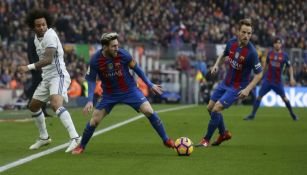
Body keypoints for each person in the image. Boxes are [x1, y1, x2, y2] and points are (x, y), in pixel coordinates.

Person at [72, 32, 175, 154]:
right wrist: (89, 100)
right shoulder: (95, 60)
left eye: (117, 45)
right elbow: (91, 80)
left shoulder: (123, 54)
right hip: (109, 94)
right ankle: (82, 146)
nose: (117, 48)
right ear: (105, 47)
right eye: (113, 46)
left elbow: (137, 69)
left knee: (148, 110)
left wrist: (149, 84)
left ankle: (166, 139)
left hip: (129, 90)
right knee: (94, 120)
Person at [17, 9, 80, 152]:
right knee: (33, 106)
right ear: (33, 27)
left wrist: (28, 67)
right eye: (38, 25)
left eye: (44, 24)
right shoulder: (35, 38)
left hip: (58, 76)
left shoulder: (50, 35)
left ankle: (75, 137)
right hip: (47, 78)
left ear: (47, 24)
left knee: (55, 104)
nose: (42, 27)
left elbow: (48, 59)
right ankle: (44, 137)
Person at [196, 19, 263, 147]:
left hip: (238, 86)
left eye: (249, 33)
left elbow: (259, 74)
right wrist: (216, 65)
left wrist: (248, 89)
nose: (246, 36)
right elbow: (223, 54)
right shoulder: (231, 43)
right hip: (226, 82)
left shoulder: (252, 53)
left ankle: (206, 140)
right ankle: (224, 133)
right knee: (210, 108)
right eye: (244, 32)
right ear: (238, 32)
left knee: (216, 109)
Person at [244, 37, 299, 121]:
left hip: (277, 82)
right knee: (259, 97)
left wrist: (291, 77)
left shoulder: (284, 55)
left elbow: (290, 67)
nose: (277, 44)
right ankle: (252, 115)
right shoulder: (270, 54)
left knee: (284, 98)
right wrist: (260, 75)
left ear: (281, 44)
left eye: (279, 43)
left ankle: (292, 114)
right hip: (268, 81)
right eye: (276, 43)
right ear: (273, 44)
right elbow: (265, 66)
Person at [25, 34, 51, 117]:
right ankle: (35, 109)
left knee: (45, 89)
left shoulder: (45, 38)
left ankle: (43, 110)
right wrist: (34, 67)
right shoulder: (32, 38)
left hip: (45, 67)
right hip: (36, 67)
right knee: (36, 88)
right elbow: (30, 54)